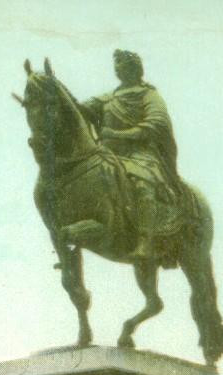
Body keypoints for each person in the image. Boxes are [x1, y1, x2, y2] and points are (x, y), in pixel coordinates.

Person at [80, 50, 183, 261]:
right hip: (109, 154)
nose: (119, 69)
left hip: (140, 155)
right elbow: (79, 109)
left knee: (143, 184)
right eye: (117, 66)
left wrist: (118, 134)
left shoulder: (149, 95)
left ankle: (145, 240)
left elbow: (156, 123)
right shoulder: (107, 98)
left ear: (135, 69)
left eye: (123, 66)